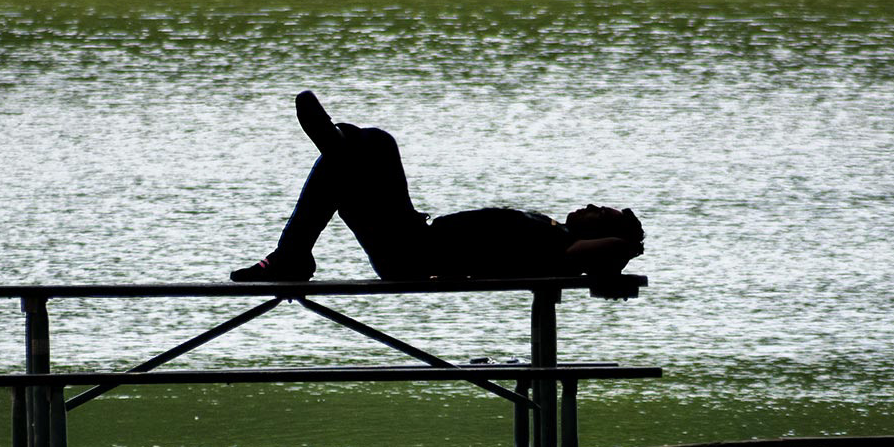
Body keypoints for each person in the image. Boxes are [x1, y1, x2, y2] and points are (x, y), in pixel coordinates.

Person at [231, 91, 645, 282]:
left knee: (366, 148)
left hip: (412, 255)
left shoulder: (564, 251)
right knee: (359, 154)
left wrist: (628, 243)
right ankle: (338, 151)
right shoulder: (555, 236)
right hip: (414, 234)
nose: (590, 204)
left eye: (600, 211)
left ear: (600, 233)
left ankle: (291, 254)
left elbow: (618, 249)